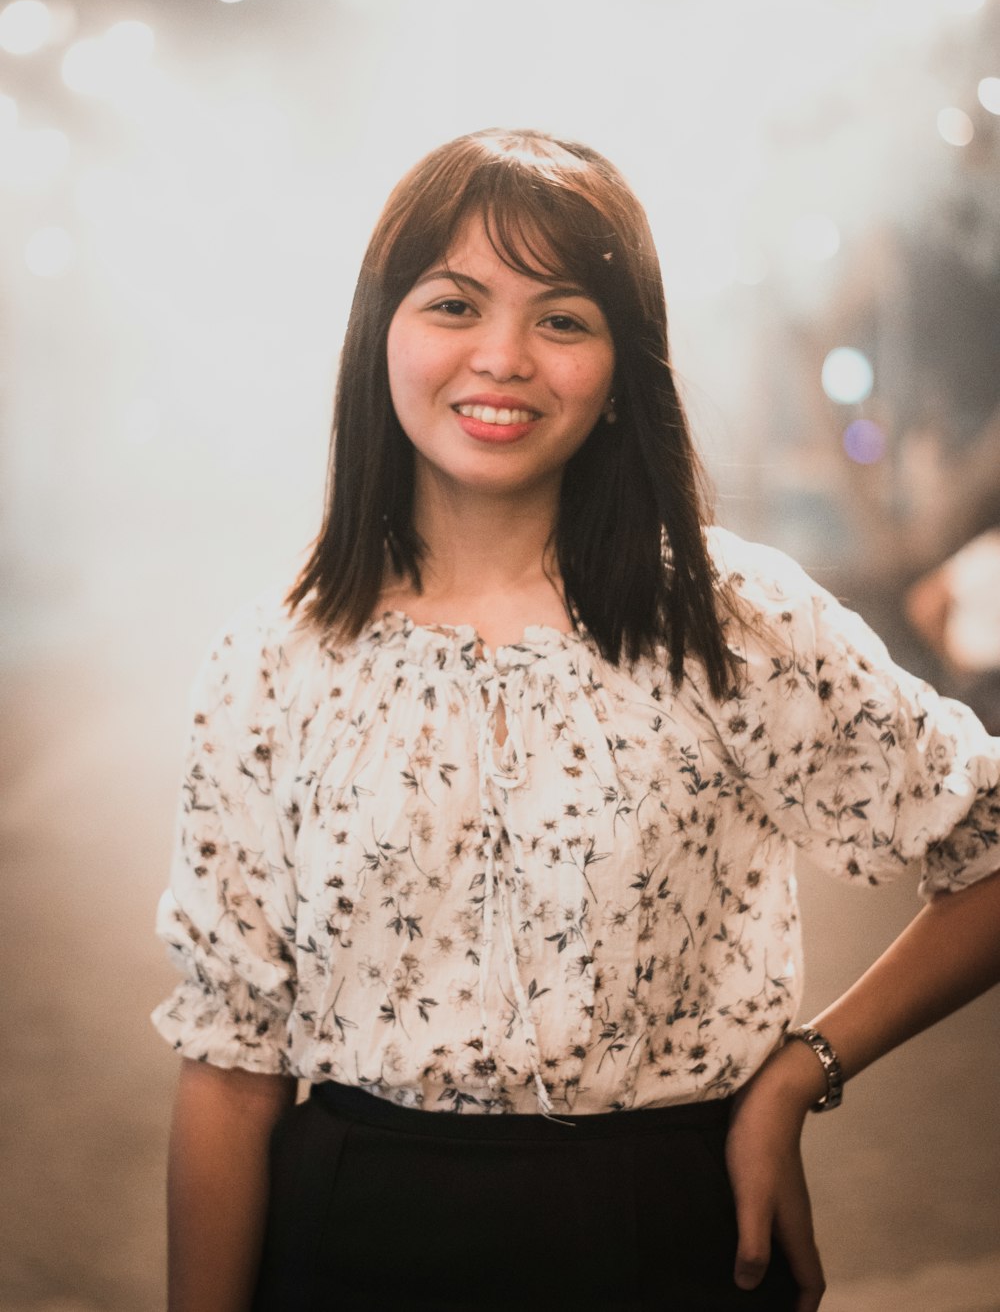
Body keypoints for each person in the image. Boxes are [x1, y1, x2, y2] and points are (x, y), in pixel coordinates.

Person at [154, 128, 1000, 1312]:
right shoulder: (276, 658)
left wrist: (796, 1077)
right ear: (379, 334)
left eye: (562, 318)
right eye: (454, 303)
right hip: (350, 1237)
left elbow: (989, 848)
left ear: (619, 366)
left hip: (666, 1234)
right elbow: (230, 1069)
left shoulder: (728, 620)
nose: (501, 358)